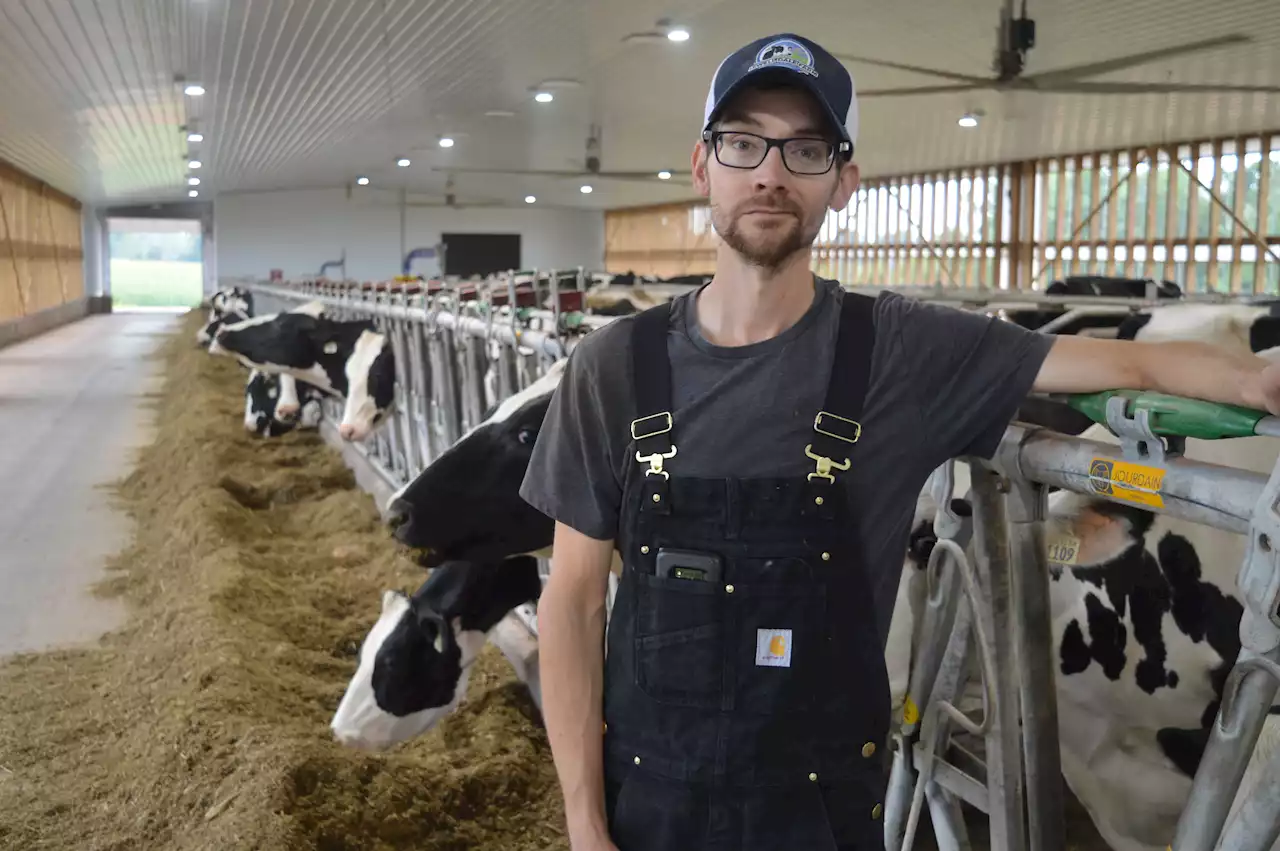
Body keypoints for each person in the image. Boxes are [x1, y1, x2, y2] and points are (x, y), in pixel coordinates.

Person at [518, 32, 1280, 851]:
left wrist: (1253, 382)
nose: (771, 173)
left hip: (823, 818)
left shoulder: (900, 349)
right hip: (649, 812)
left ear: (843, 181)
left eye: (805, 149)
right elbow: (573, 604)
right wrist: (584, 822)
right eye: (743, 143)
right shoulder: (613, 367)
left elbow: (1131, 357)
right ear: (703, 166)